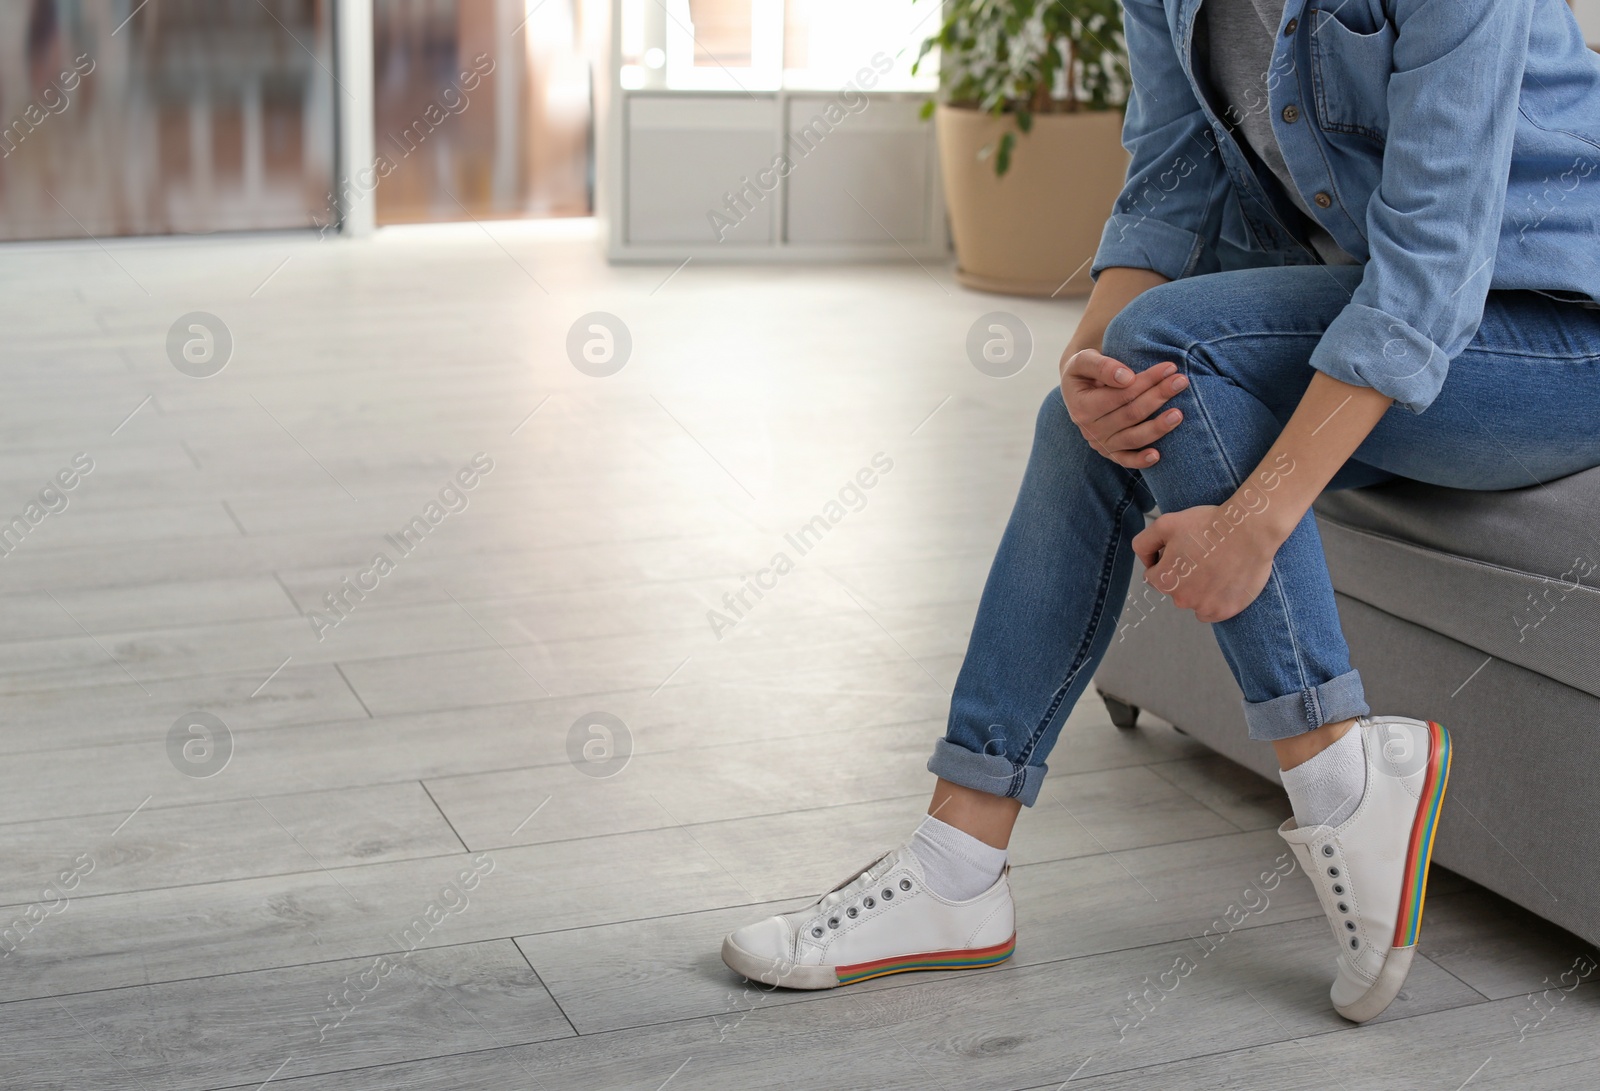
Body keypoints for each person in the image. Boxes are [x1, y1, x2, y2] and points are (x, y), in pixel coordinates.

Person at [722, 0, 1600, 1022]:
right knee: (1094, 413)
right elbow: (1170, 179)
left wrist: (1254, 523)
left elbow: (1427, 276)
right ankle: (955, 866)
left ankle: (1333, 772)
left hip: (1551, 343)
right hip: (1375, 307)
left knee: (1172, 351)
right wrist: (1093, 363)